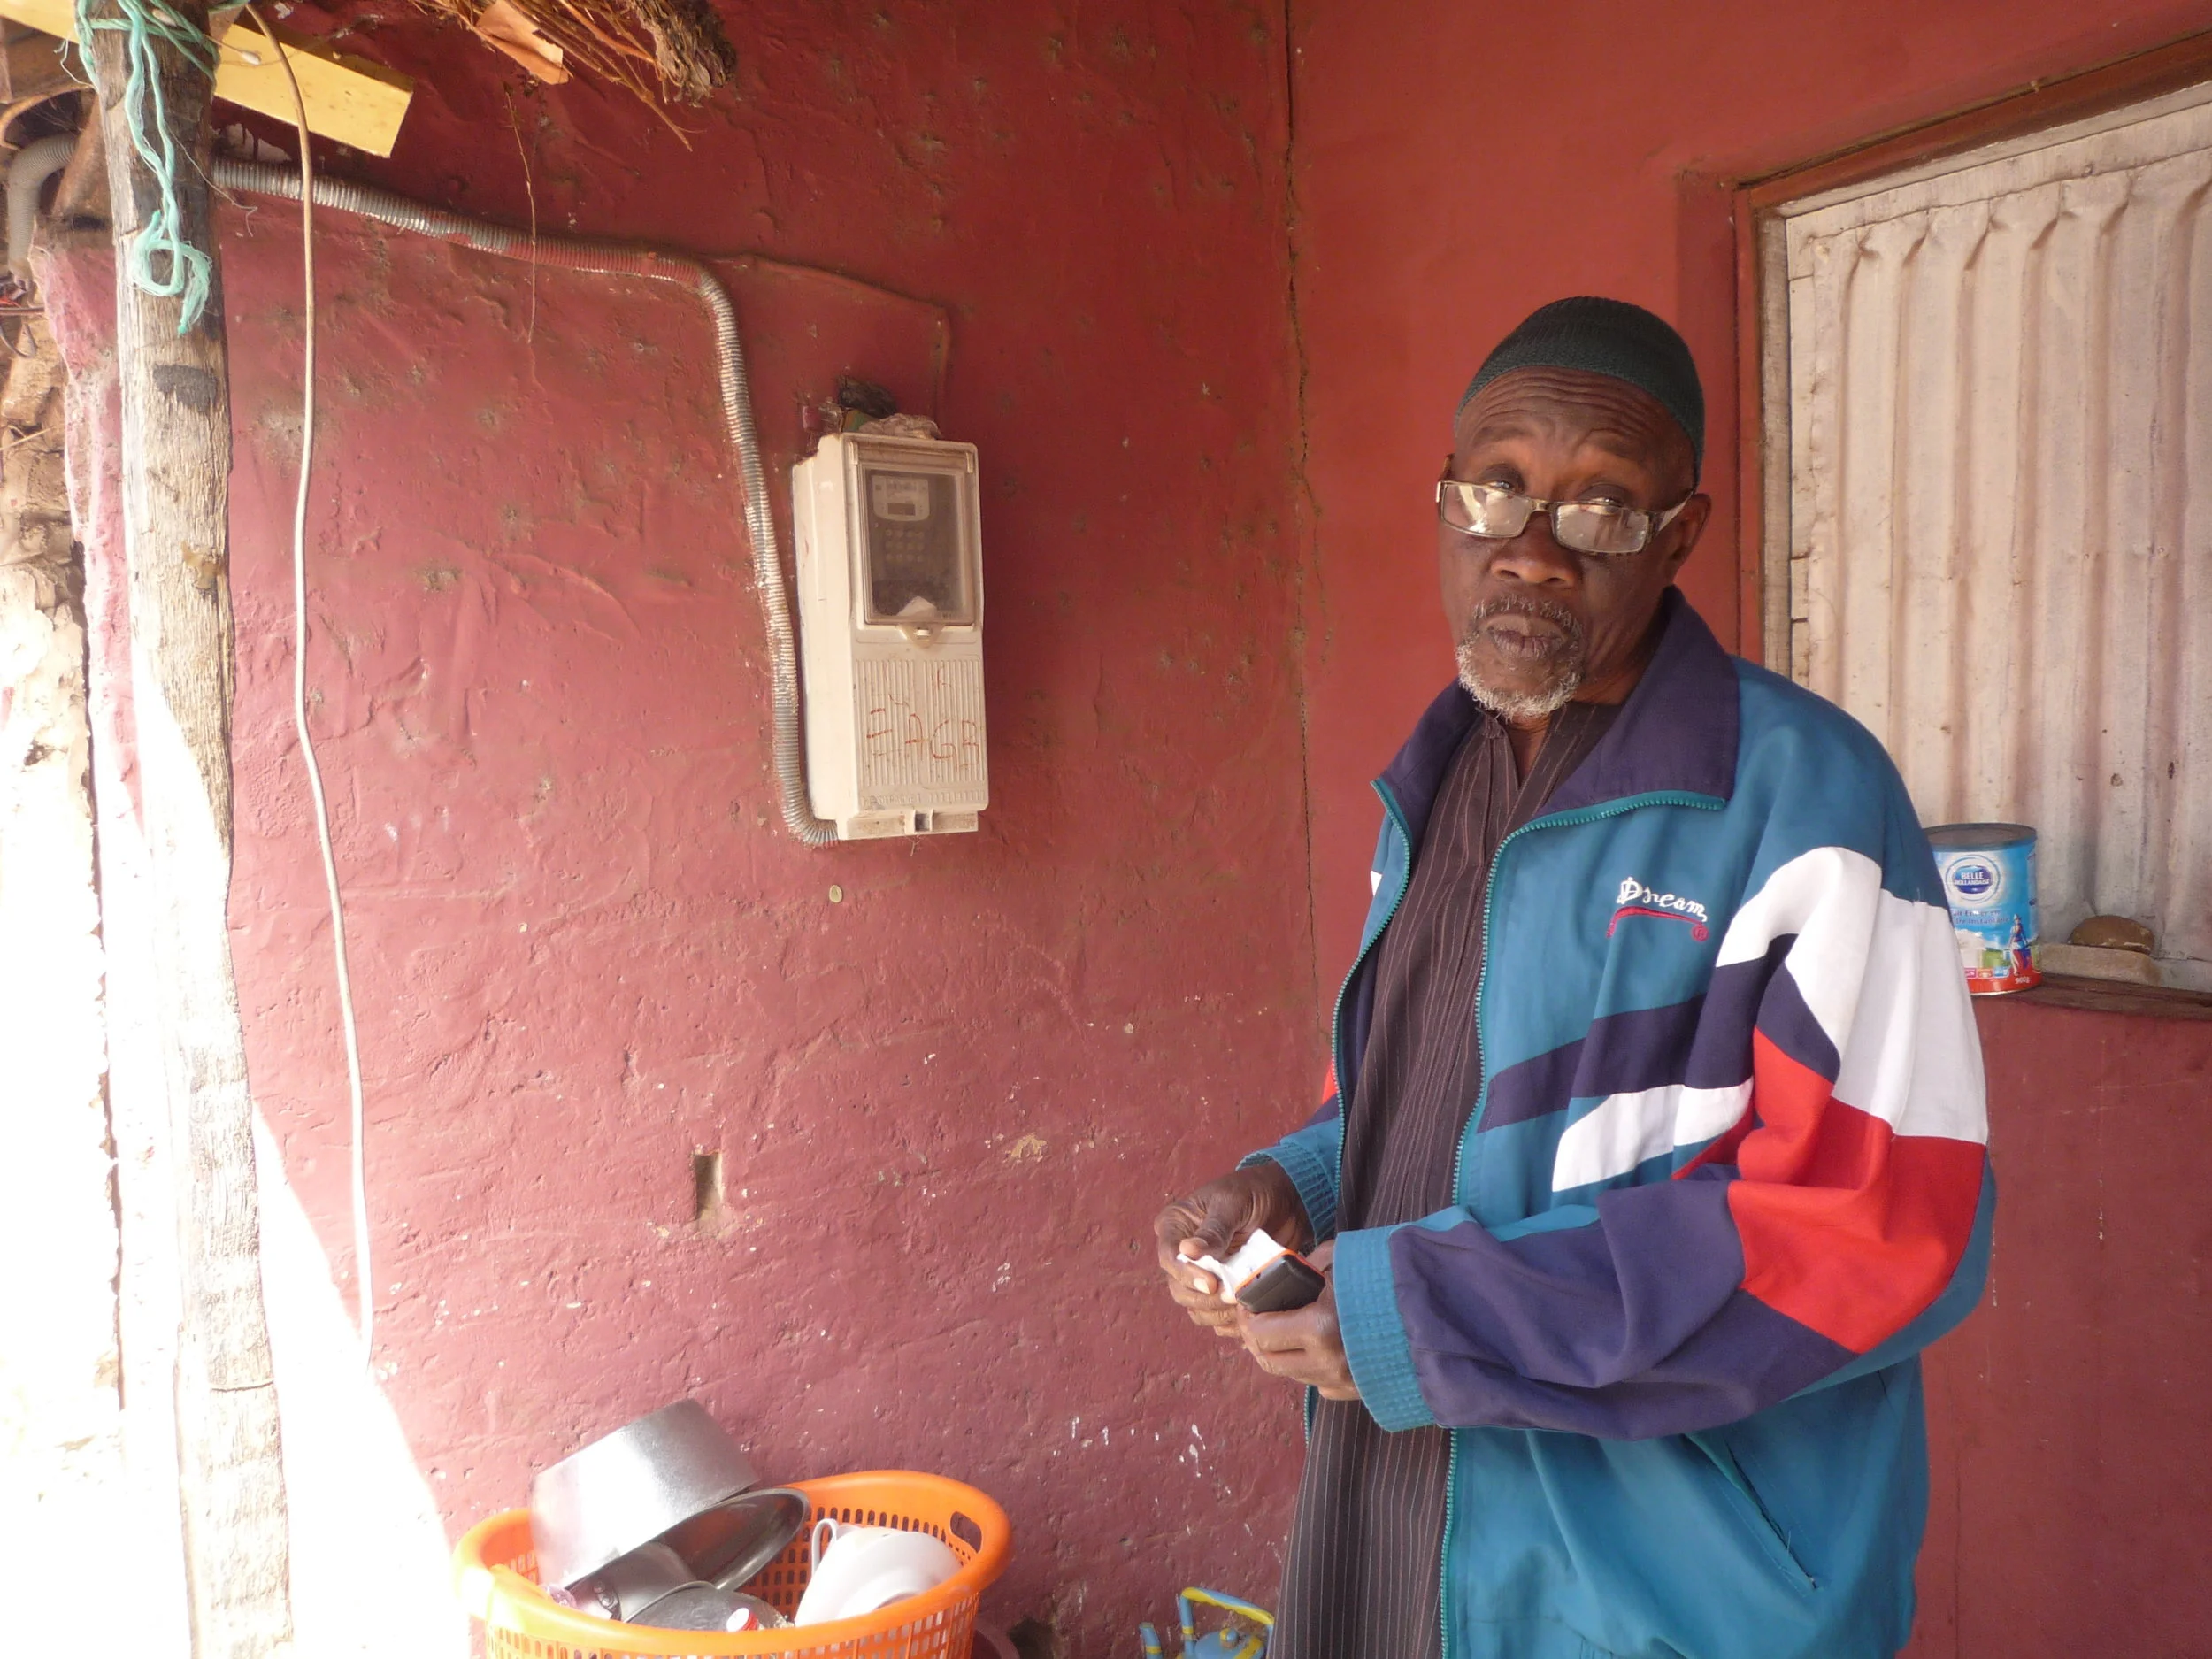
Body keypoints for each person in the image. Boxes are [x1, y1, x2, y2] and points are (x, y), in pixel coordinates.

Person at [1154, 298, 1993, 1659]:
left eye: (1602, 507)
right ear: (1445, 503)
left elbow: (1877, 1222)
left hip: (1673, 1573)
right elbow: (1422, 1093)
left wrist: (1423, 1312)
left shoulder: (1806, 799)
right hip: (1410, 1516)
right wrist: (1297, 1183)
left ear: (1681, 533)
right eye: (1495, 491)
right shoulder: (1442, 776)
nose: (1533, 551)